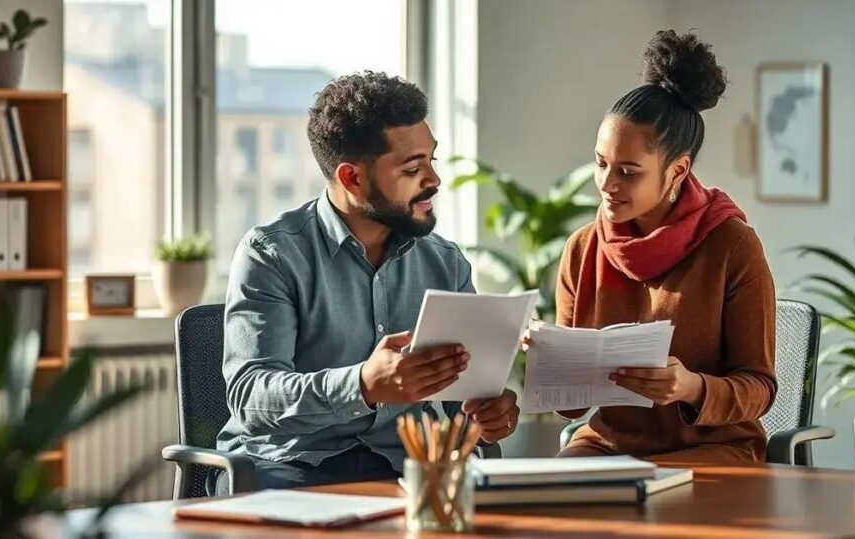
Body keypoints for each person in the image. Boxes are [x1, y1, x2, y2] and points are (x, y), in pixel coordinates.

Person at [215, 72, 519, 494]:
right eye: (413, 168)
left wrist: (488, 412)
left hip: (407, 470)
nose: (433, 179)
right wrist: (362, 385)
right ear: (352, 178)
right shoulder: (271, 254)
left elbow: (460, 396)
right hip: (293, 468)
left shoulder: (444, 262)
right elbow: (252, 398)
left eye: (431, 160)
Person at [551, 31, 777, 462]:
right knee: (542, 514)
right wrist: (553, 362)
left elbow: (760, 388)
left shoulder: (733, 246)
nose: (607, 185)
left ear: (677, 170)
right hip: (610, 446)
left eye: (628, 172)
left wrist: (691, 387)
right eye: (601, 164)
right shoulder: (582, 249)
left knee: (660, 509)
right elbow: (571, 409)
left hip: (714, 447)